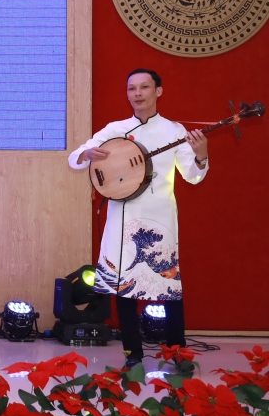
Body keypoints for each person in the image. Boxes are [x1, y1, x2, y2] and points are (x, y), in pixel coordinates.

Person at [69, 68, 208, 368]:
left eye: (144, 87)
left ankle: (177, 353)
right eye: (132, 88)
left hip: (159, 222)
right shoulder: (116, 128)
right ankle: (133, 354)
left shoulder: (174, 131)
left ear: (158, 91)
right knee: (124, 289)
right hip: (122, 221)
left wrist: (201, 156)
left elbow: (193, 177)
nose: (138, 93)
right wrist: (87, 154)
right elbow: (76, 156)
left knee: (168, 289)